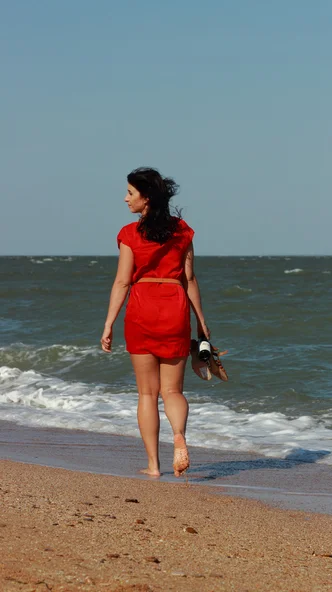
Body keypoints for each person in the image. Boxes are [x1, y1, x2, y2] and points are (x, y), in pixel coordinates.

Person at [101, 167, 210, 478]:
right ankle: (179, 437)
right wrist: (201, 322)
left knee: (147, 394)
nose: (125, 199)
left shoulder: (129, 234)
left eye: (130, 193)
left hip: (142, 308)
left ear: (146, 199)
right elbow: (189, 279)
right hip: (175, 308)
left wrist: (109, 323)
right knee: (172, 391)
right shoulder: (183, 231)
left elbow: (122, 282)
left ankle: (153, 466)